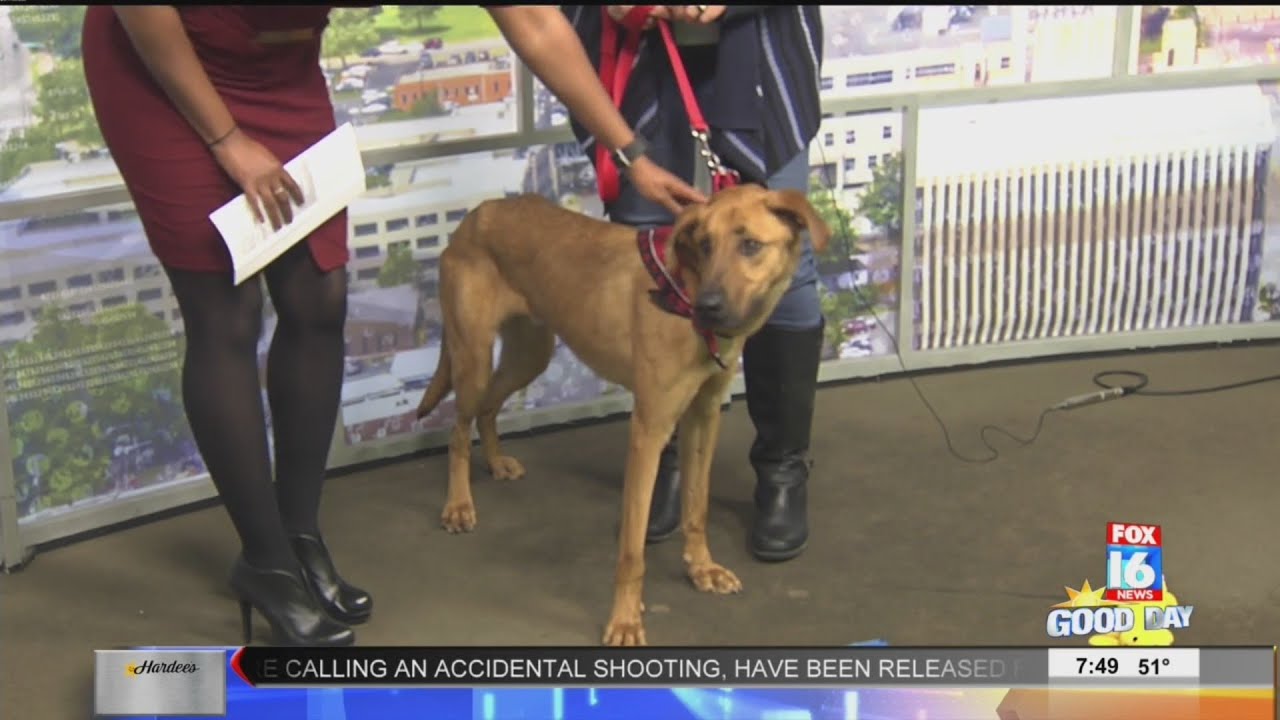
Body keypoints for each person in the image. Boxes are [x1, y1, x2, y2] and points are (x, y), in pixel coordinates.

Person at [81, 5, 705, 647]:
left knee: (319, 298)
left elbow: (537, 23)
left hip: (278, 66)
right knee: (227, 314)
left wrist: (631, 153)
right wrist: (226, 142)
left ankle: (300, 534)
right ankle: (266, 561)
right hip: (162, 59)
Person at [565, 4, 825, 562]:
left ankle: (782, 467)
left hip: (759, 53)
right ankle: (670, 459)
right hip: (639, 64)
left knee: (787, 278)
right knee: (651, 255)